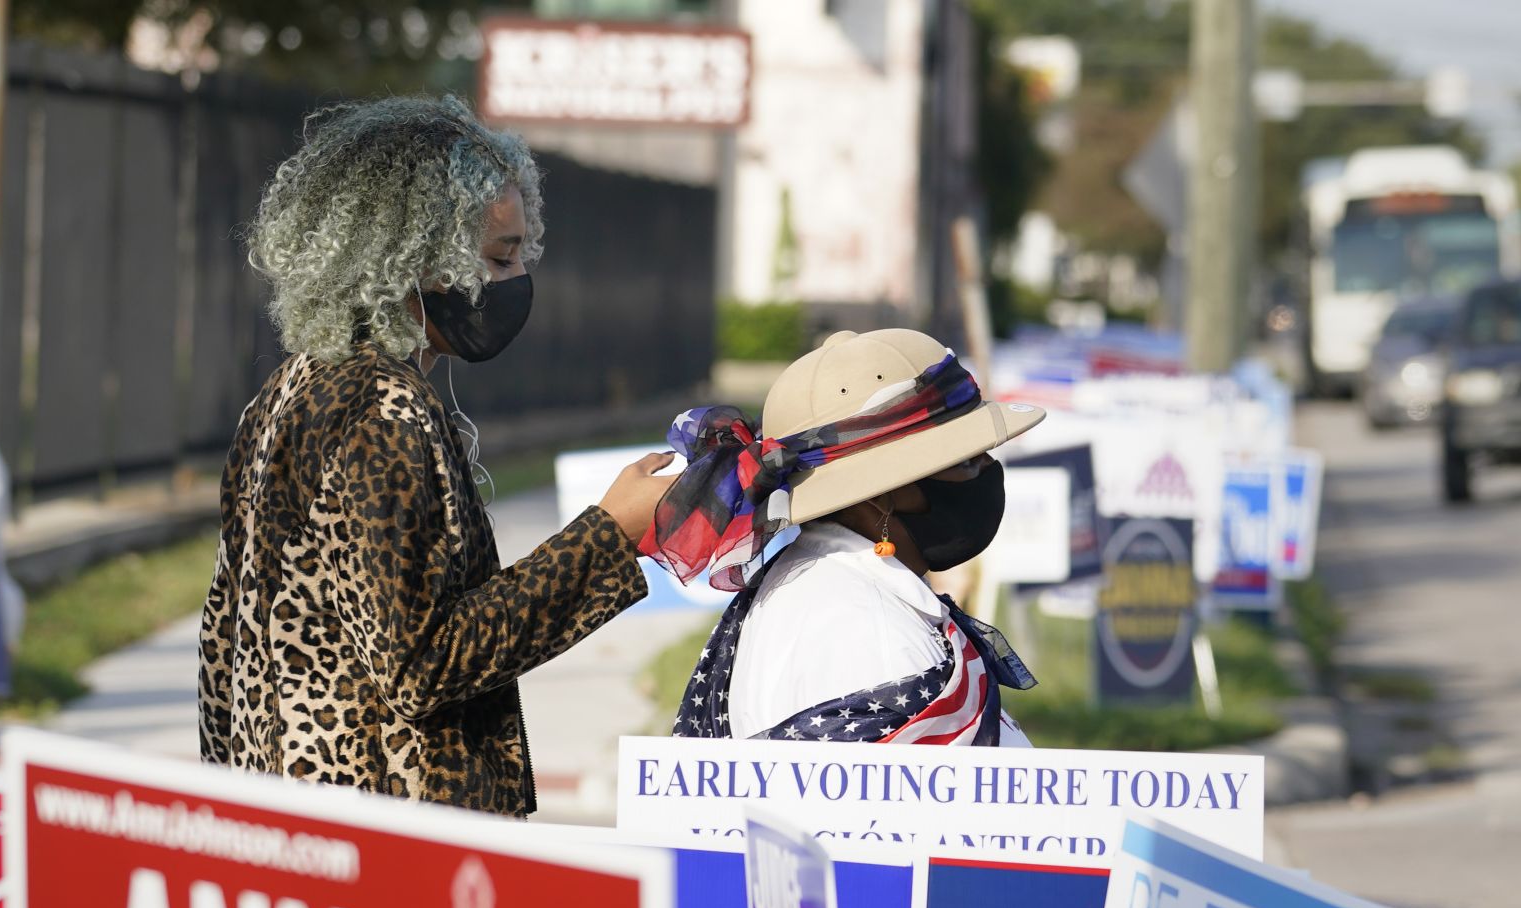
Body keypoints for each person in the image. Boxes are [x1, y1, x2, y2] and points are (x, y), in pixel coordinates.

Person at [199, 97, 671, 815]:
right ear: (411, 259)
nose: (516, 279)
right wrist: (609, 536)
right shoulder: (382, 412)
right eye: (498, 256)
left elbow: (222, 646)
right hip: (393, 842)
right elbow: (423, 661)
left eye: (521, 254)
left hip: (300, 828)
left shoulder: (287, 392)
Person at [644, 328, 1045, 746]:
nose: (986, 470)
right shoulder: (880, 640)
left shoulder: (821, 584)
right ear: (885, 493)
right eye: (965, 461)